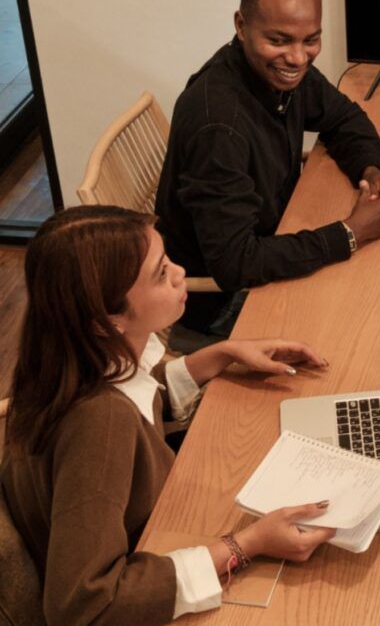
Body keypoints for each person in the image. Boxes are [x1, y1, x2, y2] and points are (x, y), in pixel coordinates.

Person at [0, 206, 337, 624]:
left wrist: (223, 354)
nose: (180, 272)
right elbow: (84, 605)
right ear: (108, 321)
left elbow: (138, 390)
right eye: (161, 273)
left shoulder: (69, 359)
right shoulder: (99, 423)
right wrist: (245, 544)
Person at [155, 0, 380, 336]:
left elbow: (344, 118)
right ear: (242, 26)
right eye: (279, 40)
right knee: (372, 323)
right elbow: (234, 264)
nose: (298, 58)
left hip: (277, 237)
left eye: (311, 40)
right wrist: (352, 231)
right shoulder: (218, 128)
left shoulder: (279, 75)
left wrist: (372, 172)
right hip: (223, 306)